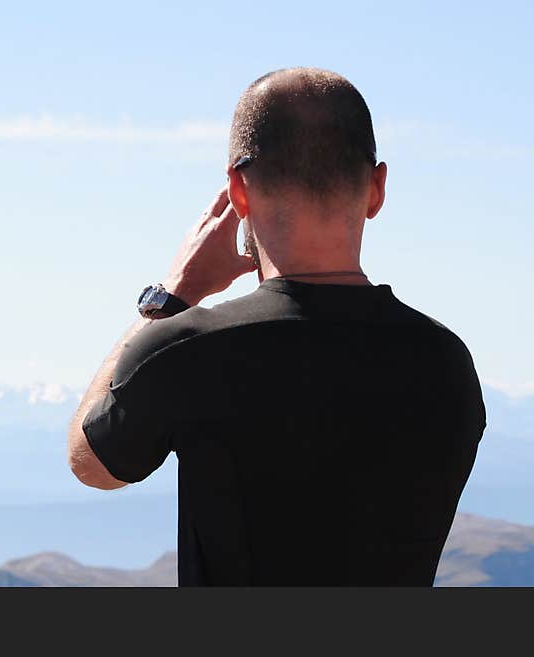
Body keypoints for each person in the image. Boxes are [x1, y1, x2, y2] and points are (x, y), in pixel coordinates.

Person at [66, 67, 486, 586]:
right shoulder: (445, 362)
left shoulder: (190, 350)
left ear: (238, 191)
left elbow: (91, 462)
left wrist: (172, 296)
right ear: (376, 188)